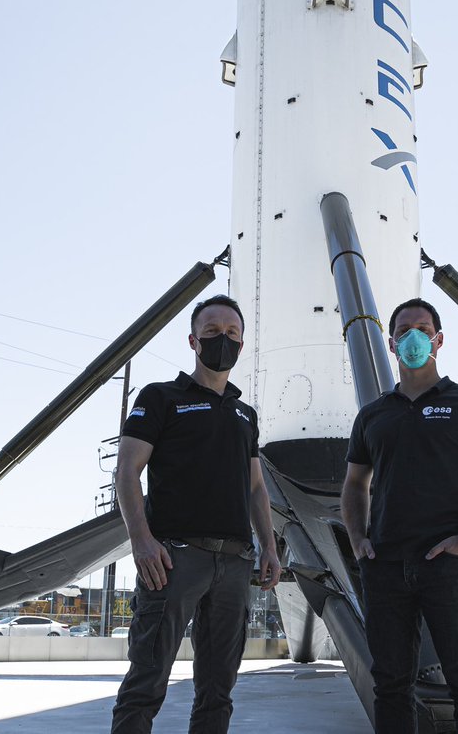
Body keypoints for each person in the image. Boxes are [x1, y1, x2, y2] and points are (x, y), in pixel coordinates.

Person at [341, 297, 458, 734]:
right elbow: (353, 485)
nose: (413, 337)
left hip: (451, 566)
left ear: (438, 340)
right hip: (385, 566)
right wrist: (358, 540)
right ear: (391, 343)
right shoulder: (373, 415)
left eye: (423, 329)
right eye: (404, 331)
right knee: (391, 684)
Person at [110, 294, 282, 734]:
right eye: (211, 333)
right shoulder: (161, 398)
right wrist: (141, 540)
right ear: (192, 340)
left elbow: (257, 487)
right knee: (146, 682)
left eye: (231, 334)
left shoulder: (245, 414)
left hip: (235, 564)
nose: (221, 340)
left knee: (217, 691)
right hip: (174, 560)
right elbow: (127, 469)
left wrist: (269, 546)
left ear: (241, 345)